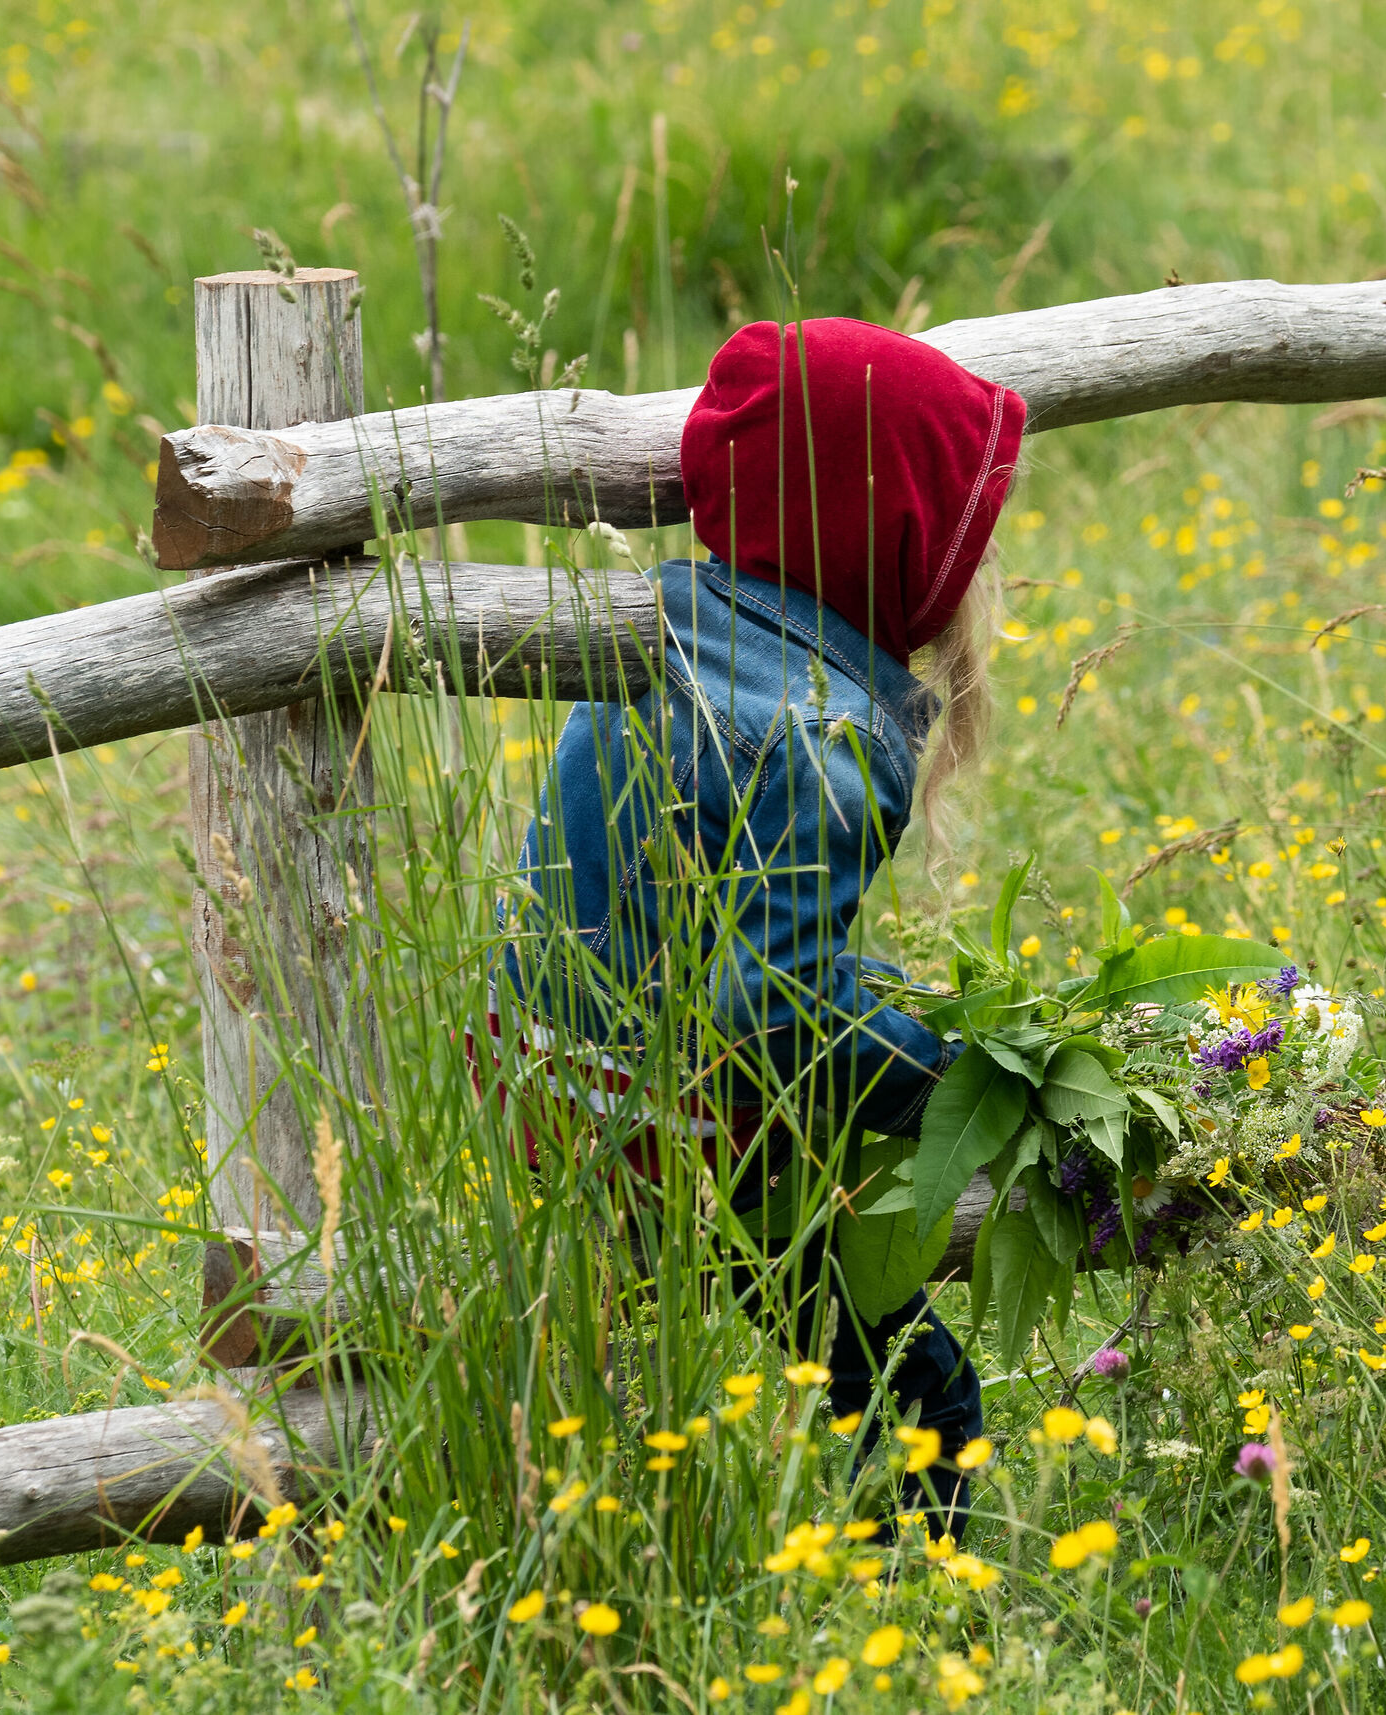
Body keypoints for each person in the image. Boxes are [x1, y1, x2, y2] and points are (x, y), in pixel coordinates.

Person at [493, 317, 1025, 1530]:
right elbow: (768, 1009)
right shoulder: (829, 740)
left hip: (534, 1065)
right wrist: (953, 1077)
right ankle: (902, 1611)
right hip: (658, 1130)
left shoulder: (667, 623)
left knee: (826, 1346)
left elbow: (715, 929)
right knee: (916, 1386)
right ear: (891, 537)